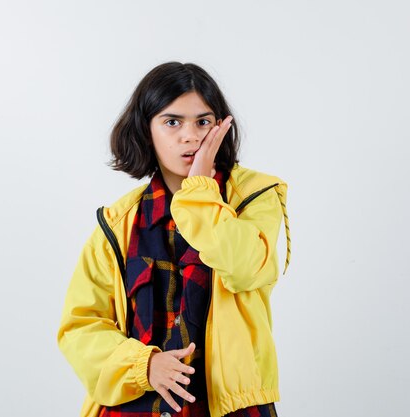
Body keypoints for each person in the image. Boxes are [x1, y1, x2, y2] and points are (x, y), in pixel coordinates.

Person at [57, 61, 291, 417]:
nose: (191, 136)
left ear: (220, 126)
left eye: (203, 121)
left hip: (226, 405)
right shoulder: (117, 222)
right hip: (136, 402)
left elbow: (246, 268)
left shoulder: (255, 197)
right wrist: (144, 365)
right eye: (172, 122)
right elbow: (80, 326)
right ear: (145, 130)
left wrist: (199, 191)